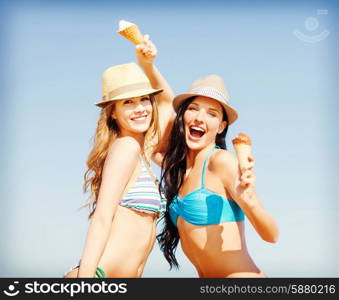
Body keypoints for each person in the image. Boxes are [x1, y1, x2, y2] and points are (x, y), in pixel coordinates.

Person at [63, 35, 174, 278]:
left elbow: (168, 103)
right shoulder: (126, 147)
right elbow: (102, 219)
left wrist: (148, 64)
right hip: (99, 275)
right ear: (113, 112)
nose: (140, 108)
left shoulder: (142, 152)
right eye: (128, 102)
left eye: (145, 99)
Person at [157, 75, 279, 277]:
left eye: (211, 114)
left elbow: (272, 235)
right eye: (193, 109)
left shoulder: (221, 161)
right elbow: (156, 139)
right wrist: (148, 65)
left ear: (221, 126)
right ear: (182, 116)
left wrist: (250, 202)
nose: (199, 118)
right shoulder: (178, 168)